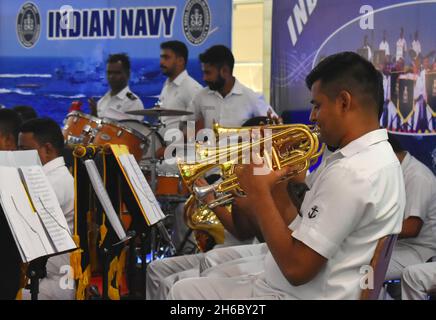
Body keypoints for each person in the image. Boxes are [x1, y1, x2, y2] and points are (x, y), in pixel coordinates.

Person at [168, 51, 405, 300]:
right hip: (301, 288)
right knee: (197, 282)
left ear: (344, 102)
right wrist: (278, 187)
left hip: (297, 294)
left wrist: (259, 192)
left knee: (183, 292)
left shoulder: (351, 173)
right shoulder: (378, 158)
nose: (313, 117)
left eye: (317, 105)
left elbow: (296, 269)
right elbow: (299, 235)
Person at [18, 118, 75, 300]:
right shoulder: (49, 177)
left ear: (48, 149)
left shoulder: (54, 183)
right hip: (42, 273)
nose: (19, 156)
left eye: (24, 150)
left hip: (51, 281)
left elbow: (23, 227)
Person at [187, 45, 274, 131]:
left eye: (208, 73)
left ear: (225, 71)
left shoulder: (251, 97)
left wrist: (273, 123)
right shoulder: (201, 96)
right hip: (209, 145)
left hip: (241, 144)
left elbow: (275, 124)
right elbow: (187, 122)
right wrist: (192, 140)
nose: (204, 78)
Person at [385, 134, 436, 280]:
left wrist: (372, 232)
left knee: (364, 267)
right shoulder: (398, 172)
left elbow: (412, 228)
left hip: (421, 252)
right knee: (356, 257)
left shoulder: (418, 176)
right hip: (401, 247)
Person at [157, 40, 202, 138]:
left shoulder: (192, 88)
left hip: (180, 151)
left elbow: (198, 125)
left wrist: (178, 145)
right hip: (164, 147)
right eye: (161, 57)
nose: (161, 62)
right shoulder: (166, 85)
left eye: (166, 57)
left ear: (180, 61)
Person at [89, 53, 144, 121]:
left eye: (117, 73)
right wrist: (94, 116)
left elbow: (132, 130)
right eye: (109, 73)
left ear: (128, 74)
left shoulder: (133, 103)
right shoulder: (102, 101)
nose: (111, 76)